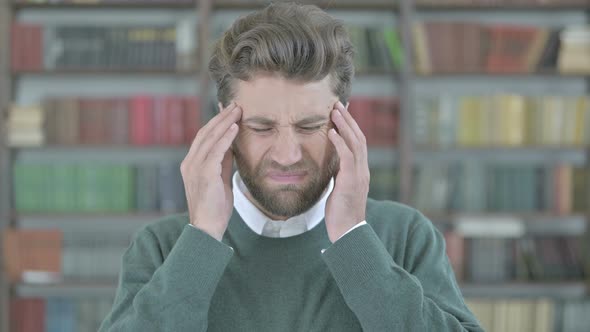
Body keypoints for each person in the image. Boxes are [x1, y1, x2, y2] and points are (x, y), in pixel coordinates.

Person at [99, 2, 483, 331]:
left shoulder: (405, 235)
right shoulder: (164, 247)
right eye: (261, 127)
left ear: (343, 120)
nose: (288, 155)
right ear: (224, 126)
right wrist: (201, 240)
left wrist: (354, 239)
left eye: (310, 126)